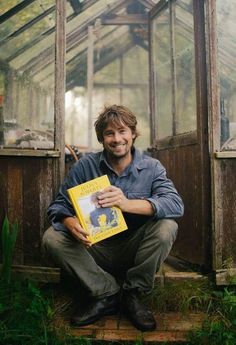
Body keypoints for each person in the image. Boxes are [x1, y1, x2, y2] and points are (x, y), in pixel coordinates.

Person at [42, 104, 184, 332]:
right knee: (52, 237)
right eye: (109, 133)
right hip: (94, 248)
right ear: (102, 138)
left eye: (123, 131)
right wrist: (69, 221)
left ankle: (133, 294)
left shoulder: (152, 167)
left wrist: (127, 203)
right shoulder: (86, 166)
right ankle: (107, 293)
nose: (117, 139)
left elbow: (175, 204)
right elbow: (58, 205)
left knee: (167, 226)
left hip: (135, 250)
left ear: (133, 134)